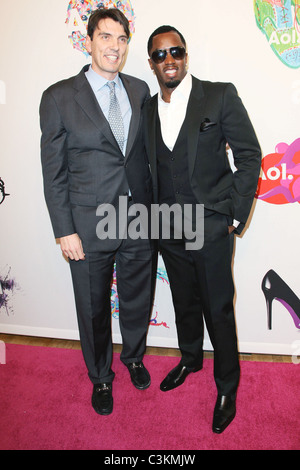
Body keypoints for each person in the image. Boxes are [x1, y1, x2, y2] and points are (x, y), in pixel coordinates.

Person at [143, 25, 262, 433]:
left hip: (210, 224)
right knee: (184, 301)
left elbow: (249, 155)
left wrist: (234, 213)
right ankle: (191, 359)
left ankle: (227, 386)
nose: (169, 59)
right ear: (152, 63)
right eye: (160, 54)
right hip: (169, 226)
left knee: (218, 307)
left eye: (175, 51)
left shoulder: (219, 94)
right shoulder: (146, 108)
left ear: (186, 55)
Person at [40, 8, 155, 416]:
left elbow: (145, 156)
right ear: (88, 42)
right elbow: (53, 172)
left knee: (138, 297)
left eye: (122, 39)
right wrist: (64, 229)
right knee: (92, 306)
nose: (115, 47)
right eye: (106, 37)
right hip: (87, 224)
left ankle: (135, 357)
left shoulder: (141, 90)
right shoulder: (58, 97)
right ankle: (101, 377)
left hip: (139, 218)